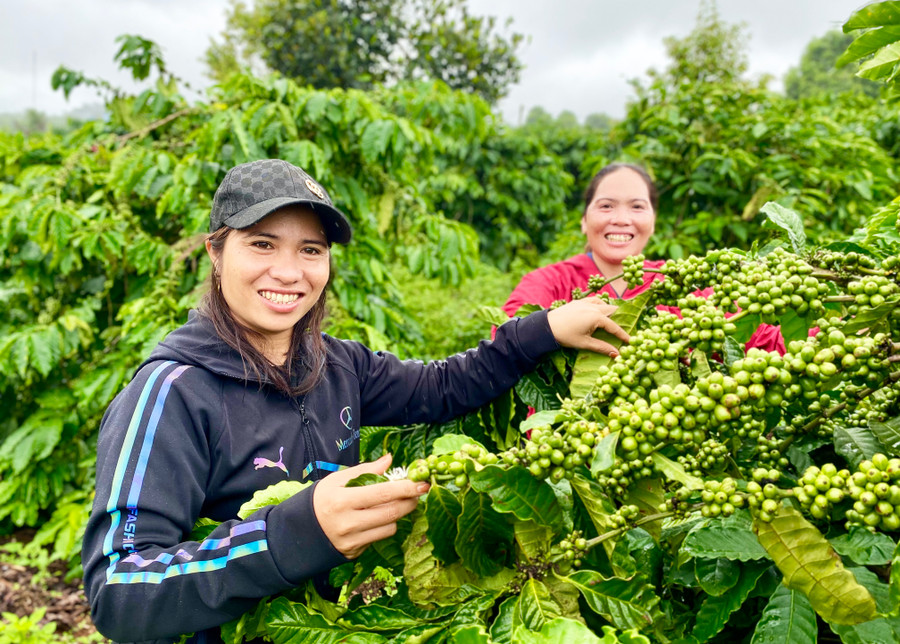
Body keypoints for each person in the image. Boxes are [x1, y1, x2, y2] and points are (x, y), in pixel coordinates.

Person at [81, 159, 630, 644]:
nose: (290, 271)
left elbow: (444, 387)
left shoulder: (338, 365)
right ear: (216, 252)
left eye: (311, 250)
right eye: (262, 244)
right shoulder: (170, 394)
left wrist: (543, 329)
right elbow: (119, 591)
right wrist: (296, 533)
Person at [502, 162, 785, 354]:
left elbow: (758, 335)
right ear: (583, 221)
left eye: (637, 206)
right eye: (606, 206)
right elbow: (505, 342)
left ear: (653, 222)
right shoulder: (548, 282)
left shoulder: (680, 283)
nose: (622, 219)